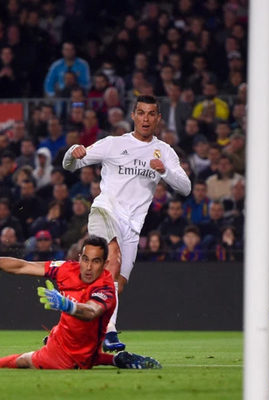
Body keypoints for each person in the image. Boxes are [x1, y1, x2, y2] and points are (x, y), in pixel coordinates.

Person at [63, 95, 191, 351]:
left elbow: (186, 188)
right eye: (141, 113)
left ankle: (69, 329)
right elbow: (70, 165)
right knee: (113, 258)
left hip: (132, 226)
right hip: (105, 211)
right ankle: (110, 333)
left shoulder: (164, 151)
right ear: (133, 116)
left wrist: (164, 170)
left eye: (151, 113)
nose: (145, 118)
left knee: (114, 286)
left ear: (158, 118)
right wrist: (72, 152)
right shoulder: (113, 144)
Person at [0, 236, 161, 370]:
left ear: (104, 264)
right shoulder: (66, 269)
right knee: (76, 346)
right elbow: (24, 266)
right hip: (70, 339)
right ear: (79, 257)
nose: (88, 267)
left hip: (67, 358)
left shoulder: (106, 287)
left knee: (25, 360)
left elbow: (92, 312)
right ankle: (116, 360)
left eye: (96, 262)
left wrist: (68, 306)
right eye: (85, 259)